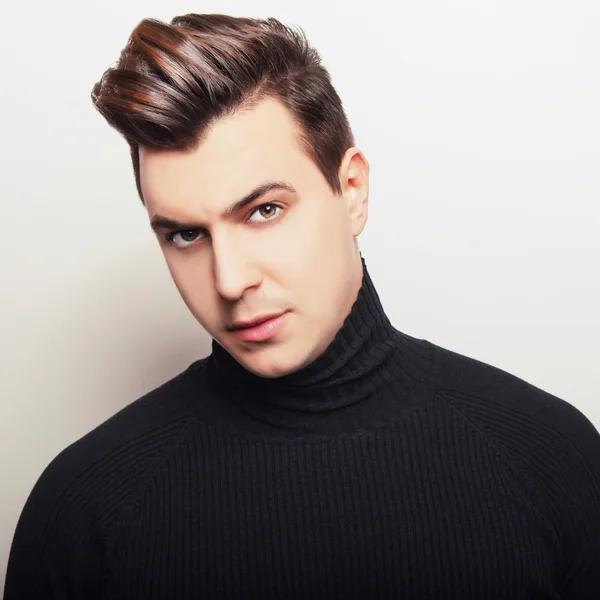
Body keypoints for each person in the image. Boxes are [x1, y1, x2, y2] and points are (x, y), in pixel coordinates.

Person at [4, 12, 600, 600]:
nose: (231, 280)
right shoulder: (83, 506)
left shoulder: (552, 456)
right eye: (186, 234)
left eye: (263, 211)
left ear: (353, 192)